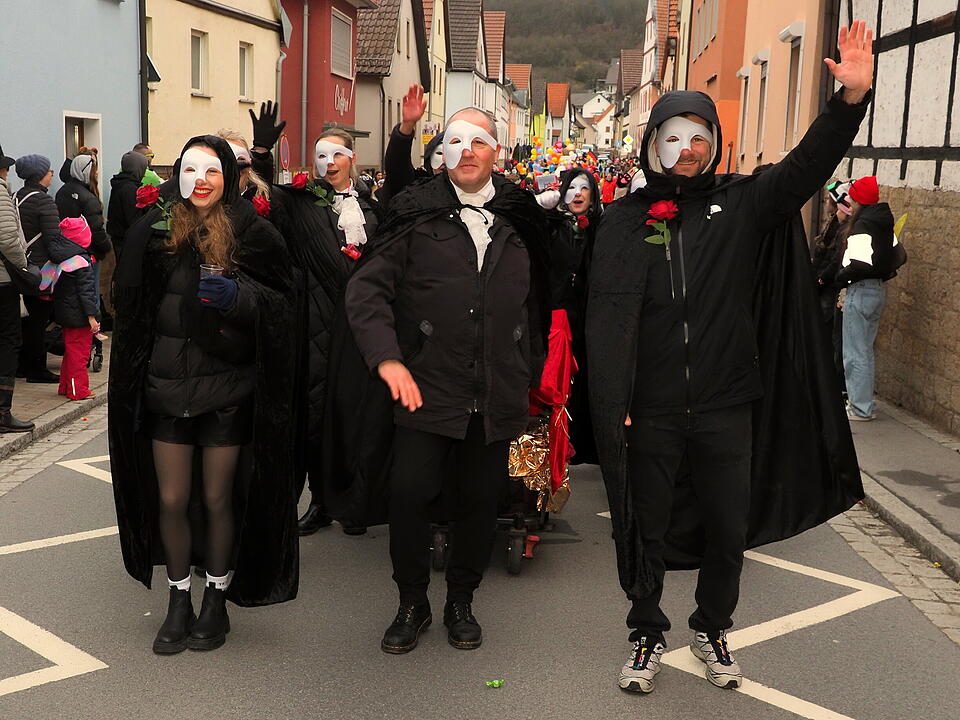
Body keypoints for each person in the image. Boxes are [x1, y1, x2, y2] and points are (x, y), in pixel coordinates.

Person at [587, 21, 873, 694]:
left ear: (715, 144)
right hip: (650, 408)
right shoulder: (624, 224)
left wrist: (849, 101)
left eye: (698, 137)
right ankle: (646, 634)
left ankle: (713, 628)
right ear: (651, 144)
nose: (686, 150)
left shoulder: (742, 205)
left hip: (724, 404)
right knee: (645, 526)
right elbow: (603, 320)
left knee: (726, 527)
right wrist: (614, 402)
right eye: (672, 138)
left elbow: (806, 166)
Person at [341, 107, 550, 654]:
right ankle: (412, 602)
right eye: (454, 142)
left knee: (480, 501)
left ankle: (462, 599)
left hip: (496, 388)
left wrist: (528, 363)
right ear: (442, 153)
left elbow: (544, 299)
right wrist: (387, 359)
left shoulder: (519, 218)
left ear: (496, 153)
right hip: (426, 386)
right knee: (409, 496)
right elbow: (366, 292)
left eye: (478, 142)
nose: (466, 151)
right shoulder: (416, 214)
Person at [108, 135, 299, 654]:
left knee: (217, 498)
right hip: (166, 390)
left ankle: (215, 600)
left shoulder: (253, 232)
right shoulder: (155, 231)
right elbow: (129, 309)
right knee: (171, 498)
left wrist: (241, 299)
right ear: (178, 175)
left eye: (212, 171)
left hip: (228, 392)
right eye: (191, 170)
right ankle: (178, 600)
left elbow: (284, 305)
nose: (201, 181)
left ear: (230, 177)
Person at [267, 127, 381, 536]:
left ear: (352, 157)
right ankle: (319, 502)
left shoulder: (372, 206)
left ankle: (354, 502)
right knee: (316, 417)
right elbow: (269, 203)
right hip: (315, 323)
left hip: (360, 328)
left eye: (336, 155)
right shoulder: (302, 204)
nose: (329, 163)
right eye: (321, 156)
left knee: (357, 416)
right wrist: (263, 153)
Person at [829, 175, 903, 421]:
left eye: (852, 196)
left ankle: (859, 407)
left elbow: (859, 264)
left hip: (860, 291)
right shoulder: (883, 222)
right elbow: (899, 255)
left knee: (855, 352)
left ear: (860, 200)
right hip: (877, 290)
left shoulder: (862, 226)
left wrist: (841, 277)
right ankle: (865, 403)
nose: (848, 199)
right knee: (865, 351)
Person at [545, 168, 601, 464]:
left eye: (584, 188)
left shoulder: (600, 227)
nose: (577, 194)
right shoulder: (551, 225)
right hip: (558, 316)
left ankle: (583, 442)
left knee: (585, 379)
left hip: (587, 317)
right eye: (572, 188)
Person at [56, 149, 111, 372]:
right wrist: (106, 249)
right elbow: (97, 230)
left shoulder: (62, 192)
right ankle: (89, 343)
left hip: (63, 253)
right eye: (94, 168)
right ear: (88, 172)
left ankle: (73, 346)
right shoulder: (89, 198)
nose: (97, 172)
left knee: (70, 294)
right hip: (87, 254)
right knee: (89, 295)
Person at [14, 154, 59, 383]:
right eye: (49, 170)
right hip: (41, 270)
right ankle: (37, 369)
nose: (52, 174)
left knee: (23, 320)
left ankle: (21, 366)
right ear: (40, 174)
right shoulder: (44, 201)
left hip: (20, 268)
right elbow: (54, 240)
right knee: (39, 322)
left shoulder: (15, 197)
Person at [45, 216, 99, 400]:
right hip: (79, 316)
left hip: (65, 312)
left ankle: (65, 386)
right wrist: (92, 316)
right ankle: (78, 391)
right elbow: (86, 293)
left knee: (71, 351)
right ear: (82, 238)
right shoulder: (82, 262)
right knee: (79, 354)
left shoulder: (61, 256)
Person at [0, 148, 34, 432]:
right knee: (7, 343)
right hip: (2, 281)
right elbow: (8, 237)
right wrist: (23, 266)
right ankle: (2, 413)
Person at [377, 84, 445, 209]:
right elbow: (397, 165)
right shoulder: (415, 186)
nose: (444, 161)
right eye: (440, 153)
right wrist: (407, 126)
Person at [107, 150, 149, 259]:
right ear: (137, 168)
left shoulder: (119, 183)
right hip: (126, 240)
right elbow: (134, 220)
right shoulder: (129, 189)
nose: (144, 173)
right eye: (143, 169)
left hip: (118, 236)